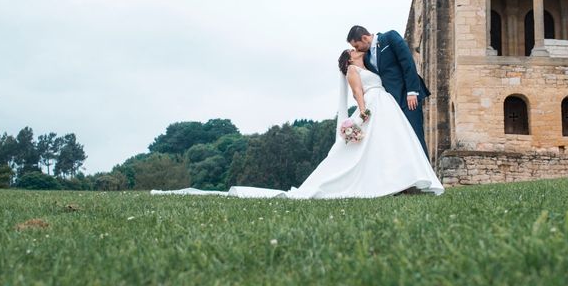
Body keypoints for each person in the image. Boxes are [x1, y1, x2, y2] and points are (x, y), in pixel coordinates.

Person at [152, 48, 444, 199]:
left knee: (393, 145)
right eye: (353, 51)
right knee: (366, 153)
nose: (357, 52)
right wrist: (364, 113)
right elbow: (357, 93)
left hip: (387, 107)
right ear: (349, 57)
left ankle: (405, 181)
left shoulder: (369, 66)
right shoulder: (353, 70)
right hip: (373, 108)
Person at [347, 25, 431, 154]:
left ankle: (426, 173)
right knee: (399, 140)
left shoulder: (390, 37)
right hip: (390, 105)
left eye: (357, 46)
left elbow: (407, 62)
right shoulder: (367, 57)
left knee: (415, 135)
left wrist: (412, 92)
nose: (356, 49)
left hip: (407, 98)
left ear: (364, 38)